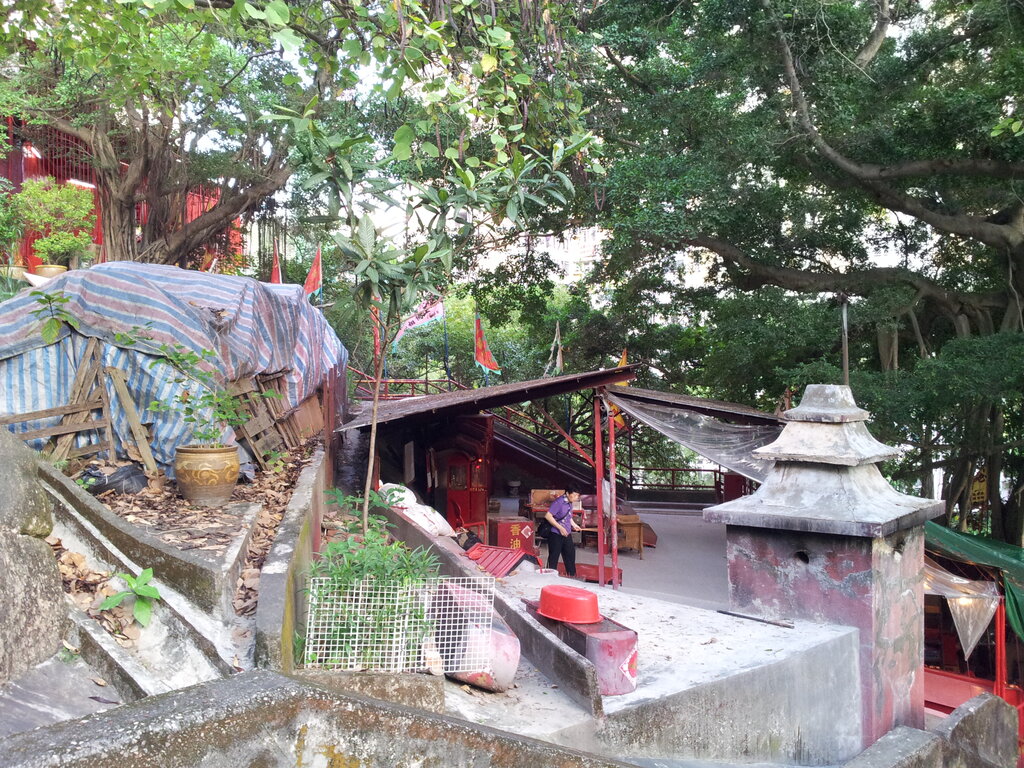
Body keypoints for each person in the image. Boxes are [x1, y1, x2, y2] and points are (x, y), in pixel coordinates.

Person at [545, 486, 582, 577]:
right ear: (567, 494)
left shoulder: (570, 502)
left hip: (567, 533)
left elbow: (568, 517)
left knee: (570, 555)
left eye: (577, 496)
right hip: (555, 534)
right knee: (554, 557)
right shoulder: (559, 502)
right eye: (574, 495)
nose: (576, 497)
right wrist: (560, 528)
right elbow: (548, 516)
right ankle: (550, 578)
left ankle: (572, 577)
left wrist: (574, 525)